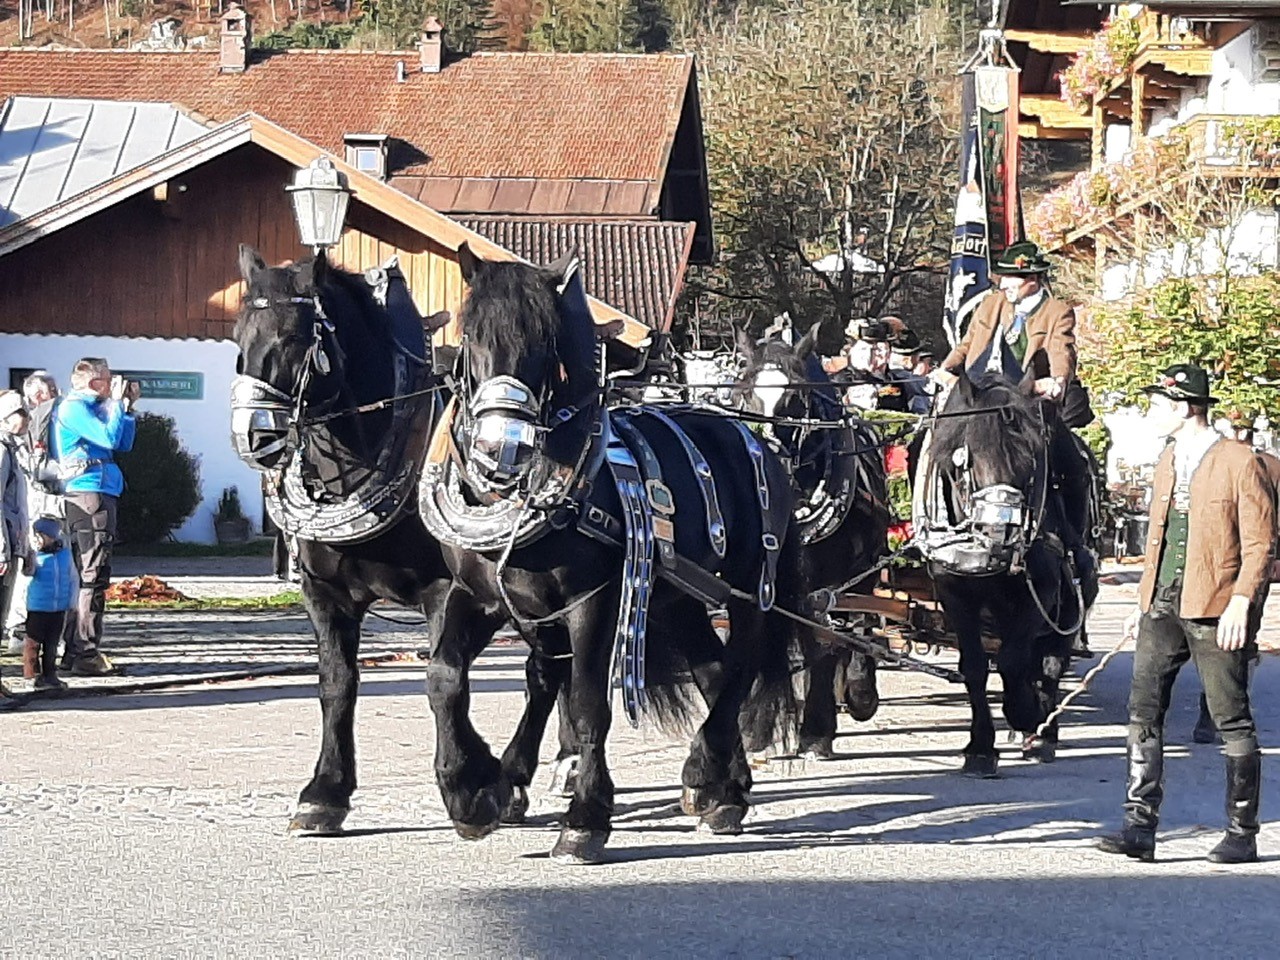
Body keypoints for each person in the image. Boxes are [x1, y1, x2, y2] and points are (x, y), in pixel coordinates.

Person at [1097, 364, 1273, 865]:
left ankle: (1242, 832)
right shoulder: (1168, 458)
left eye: (1159, 403)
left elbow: (1260, 543)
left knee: (1231, 717)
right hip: (1163, 604)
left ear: (1184, 407)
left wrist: (1242, 601)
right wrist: (1143, 601)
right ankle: (1139, 827)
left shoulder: (1240, 460)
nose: (1152, 411)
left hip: (1216, 606)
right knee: (1143, 710)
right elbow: (1159, 538)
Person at [930, 240, 1095, 580]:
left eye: (1011, 278)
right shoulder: (991, 304)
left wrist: (1057, 381)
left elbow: (1062, 351)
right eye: (1002, 277)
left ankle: (1076, 543)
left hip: (1026, 408)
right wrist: (945, 370)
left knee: (1073, 463)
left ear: (1033, 279)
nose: (1003, 283)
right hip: (978, 403)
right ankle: (935, 525)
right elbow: (966, 345)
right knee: (930, 447)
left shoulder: (1057, 311)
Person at [53, 358, 139, 677]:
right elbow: (109, 439)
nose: (114, 382)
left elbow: (124, 443)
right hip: (89, 495)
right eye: (108, 377)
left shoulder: (92, 407)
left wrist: (126, 408)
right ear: (93, 383)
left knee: (87, 574)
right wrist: (116, 404)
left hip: (99, 492)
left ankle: (74, 650)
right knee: (92, 574)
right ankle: (84, 651)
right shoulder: (75, 408)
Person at [5, 371, 63, 657]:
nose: (56, 393)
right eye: (51, 389)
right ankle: (21, 630)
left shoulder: (26, 429)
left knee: (32, 568)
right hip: (30, 511)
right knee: (28, 571)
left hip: (29, 509)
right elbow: (34, 472)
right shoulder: (34, 420)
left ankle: (28, 632)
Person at [23, 516, 73, 692]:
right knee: (33, 642)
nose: (37, 540)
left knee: (52, 643)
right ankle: (32, 674)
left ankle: (50, 674)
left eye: (41, 536)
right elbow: (27, 573)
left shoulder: (65, 555)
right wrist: (29, 557)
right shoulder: (35, 555)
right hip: (37, 606)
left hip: (58, 607)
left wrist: (72, 600)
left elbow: (72, 577)